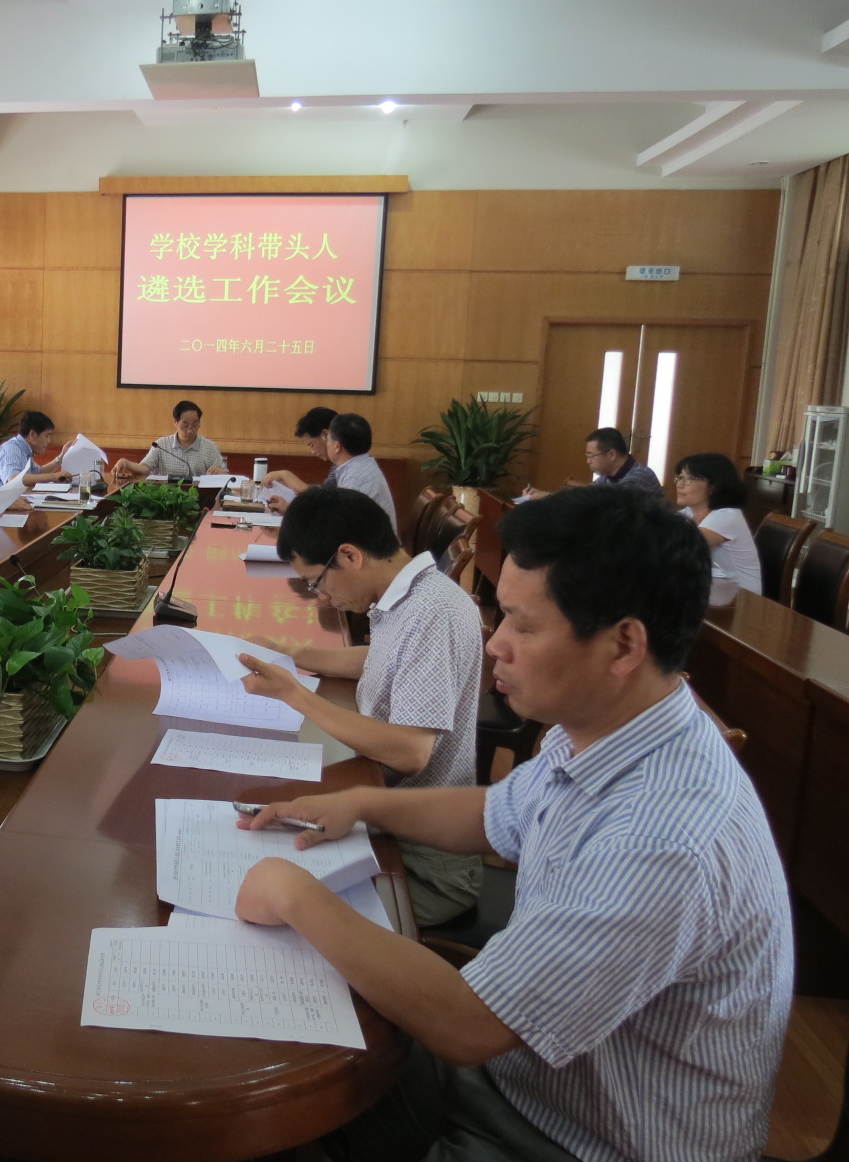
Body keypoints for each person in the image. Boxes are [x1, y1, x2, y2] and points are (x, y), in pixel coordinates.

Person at [235, 485, 791, 1162]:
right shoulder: (601, 728)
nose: (494, 643)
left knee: (279, 1118)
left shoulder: (662, 839)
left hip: (576, 1139)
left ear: (623, 644)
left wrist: (295, 895)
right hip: (523, 1085)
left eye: (523, 627)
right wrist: (363, 804)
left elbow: (469, 1027)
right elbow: (494, 811)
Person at [236, 486, 483, 925]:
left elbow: (410, 751)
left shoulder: (433, 612)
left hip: (422, 860)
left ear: (349, 556)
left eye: (317, 582)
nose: (322, 598)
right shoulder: (408, 595)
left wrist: (295, 694)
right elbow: (382, 658)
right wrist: (290, 654)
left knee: (266, 899)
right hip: (382, 816)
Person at [674, 451, 762, 595]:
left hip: (742, 597)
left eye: (690, 478)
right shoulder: (689, 512)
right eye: (680, 477)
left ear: (714, 486)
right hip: (716, 588)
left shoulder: (727, 516)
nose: (680, 484)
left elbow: (680, 546)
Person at [525, 427, 662, 499]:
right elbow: (588, 493)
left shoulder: (637, 478)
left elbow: (600, 503)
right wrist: (543, 495)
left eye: (591, 455)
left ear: (611, 455)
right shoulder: (609, 475)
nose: (588, 461)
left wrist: (547, 497)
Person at [111, 400, 228, 480]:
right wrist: (126, 463)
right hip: (166, 499)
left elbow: (225, 474)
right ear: (175, 422)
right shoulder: (161, 445)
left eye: (195, 424)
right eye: (185, 425)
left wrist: (220, 472)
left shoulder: (209, 447)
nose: (190, 430)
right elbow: (144, 468)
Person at [317, 412, 396, 528]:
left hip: (369, 539)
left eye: (327, 438)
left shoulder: (356, 479)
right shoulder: (360, 464)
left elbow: (344, 526)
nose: (326, 443)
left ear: (337, 446)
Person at [0, 411, 71, 491]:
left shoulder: (24, 449)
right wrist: (53, 477)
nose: (48, 441)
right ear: (32, 434)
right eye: (46, 436)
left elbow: (38, 474)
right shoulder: (12, 449)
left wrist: (61, 458)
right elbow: (13, 479)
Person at [262, 406, 339, 496]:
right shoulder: (337, 464)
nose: (313, 452)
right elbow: (325, 490)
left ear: (325, 434)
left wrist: (285, 475)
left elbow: (321, 496)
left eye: (312, 445)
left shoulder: (346, 464)